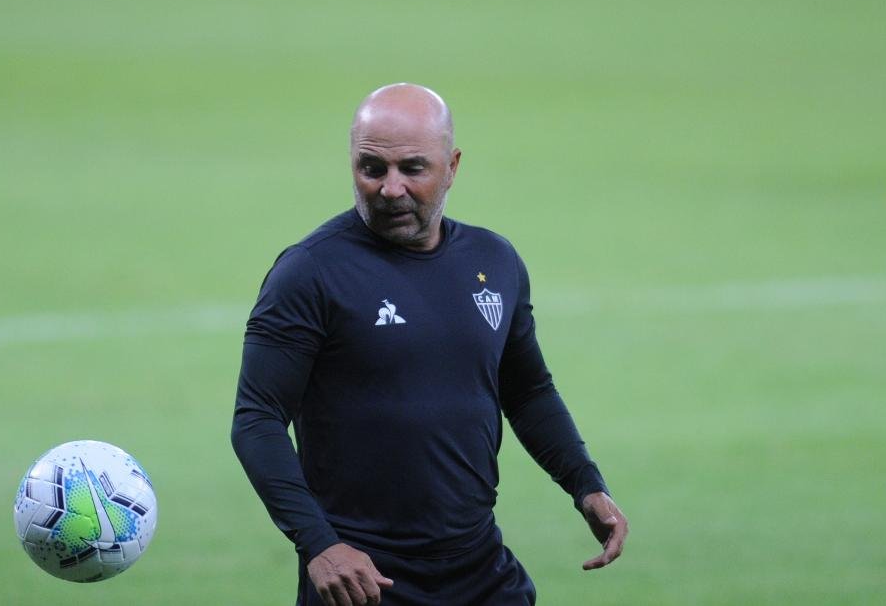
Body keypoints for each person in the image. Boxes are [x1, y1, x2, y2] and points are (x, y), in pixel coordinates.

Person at [232, 83, 628, 606]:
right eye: (372, 168)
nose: (390, 188)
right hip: (363, 581)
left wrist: (586, 484)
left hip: (481, 571)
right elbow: (257, 419)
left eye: (412, 169)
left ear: (452, 166)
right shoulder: (310, 273)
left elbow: (528, 390)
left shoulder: (495, 261)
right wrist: (319, 545)